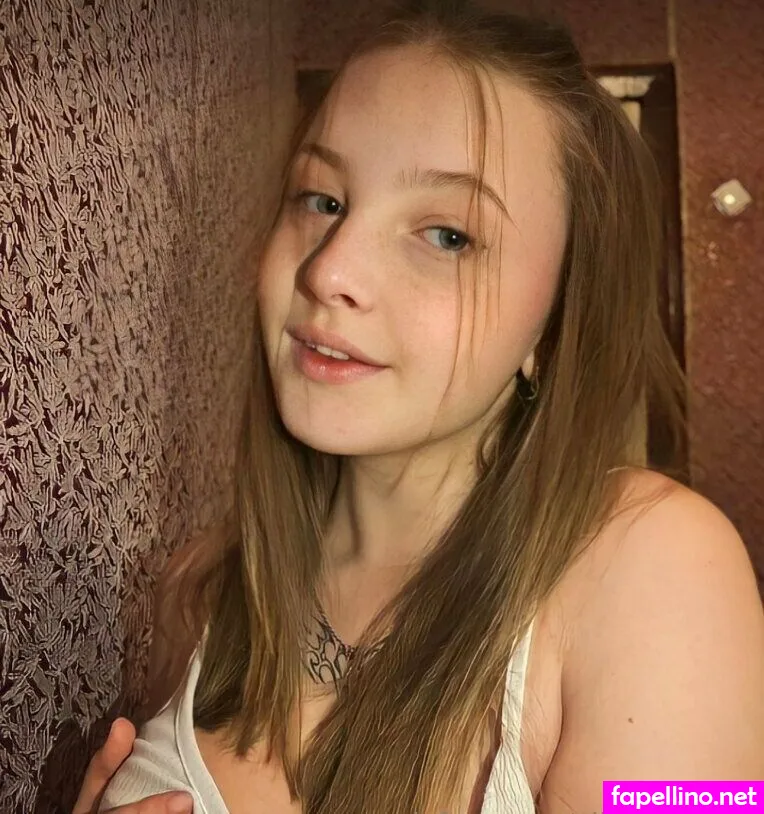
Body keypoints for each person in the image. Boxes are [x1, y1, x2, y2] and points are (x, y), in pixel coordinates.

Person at [76, 1, 764, 812]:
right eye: (322, 199)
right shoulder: (204, 591)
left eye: (447, 236)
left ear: (556, 322)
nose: (330, 271)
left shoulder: (656, 568)